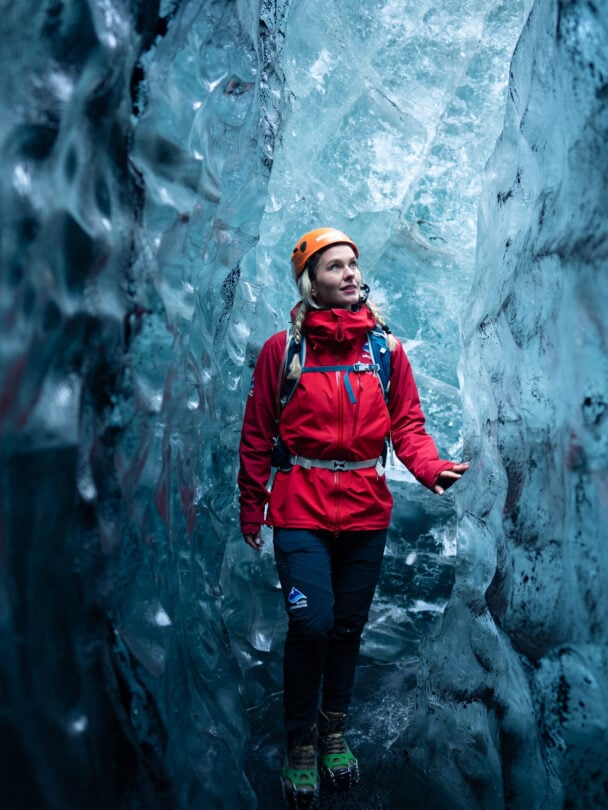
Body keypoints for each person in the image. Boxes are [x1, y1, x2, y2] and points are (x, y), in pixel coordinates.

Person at [238, 227, 468, 808]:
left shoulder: (384, 353)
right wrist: (250, 504)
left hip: (365, 512)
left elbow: (407, 427)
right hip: (300, 511)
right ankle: (299, 742)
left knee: (346, 629)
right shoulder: (282, 351)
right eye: (333, 266)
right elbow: (258, 432)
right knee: (312, 624)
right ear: (310, 281)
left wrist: (429, 468)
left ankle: (333, 732)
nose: (348, 274)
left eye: (352, 264)